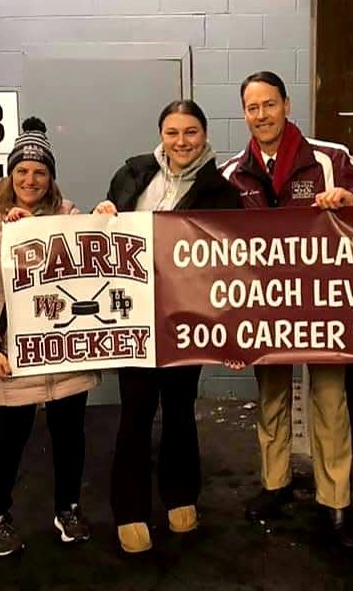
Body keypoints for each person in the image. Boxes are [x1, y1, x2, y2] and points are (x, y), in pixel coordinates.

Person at [220, 71, 353, 548]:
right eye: (252, 107)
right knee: (272, 400)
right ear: (244, 113)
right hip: (263, 308)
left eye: (269, 104)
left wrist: (352, 196)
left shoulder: (329, 158)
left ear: (286, 104)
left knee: (328, 401)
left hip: (323, 307)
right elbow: (189, 230)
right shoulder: (231, 173)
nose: (261, 115)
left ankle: (335, 500)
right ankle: (275, 484)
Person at [94, 99, 242, 554]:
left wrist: (232, 332)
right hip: (132, 316)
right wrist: (104, 214)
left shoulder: (222, 191)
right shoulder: (132, 174)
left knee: (179, 409)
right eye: (173, 132)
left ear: (205, 135)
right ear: (161, 134)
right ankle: (130, 509)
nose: (181, 141)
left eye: (191, 132)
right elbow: (106, 235)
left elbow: (233, 266)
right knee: (135, 413)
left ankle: (181, 496)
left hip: (187, 318)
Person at [0, 117, 101, 557]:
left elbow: (96, 256)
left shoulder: (68, 215)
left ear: (51, 177)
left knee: (70, 435)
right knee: (8, 439)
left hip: (64, 349)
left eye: (40, 171)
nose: (30, 179)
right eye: (22, 170)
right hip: (13, 352)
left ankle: (68, 508)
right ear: (10, 173)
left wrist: (106, 219)